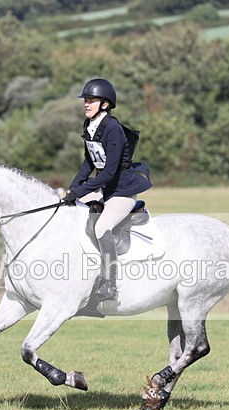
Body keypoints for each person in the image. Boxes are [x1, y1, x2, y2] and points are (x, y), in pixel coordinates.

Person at [63, 78, 152, 302]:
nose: (86, 103)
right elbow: (89, 162)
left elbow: (109, 173)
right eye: (85, 100)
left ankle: (109, 284)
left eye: (91, 100)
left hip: (122, 191)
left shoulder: (113, 129)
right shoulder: (90, 126)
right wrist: (74, 187)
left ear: (105, 104)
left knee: (102, 226)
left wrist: (81, 191)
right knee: (68, 210)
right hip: (105, 188)